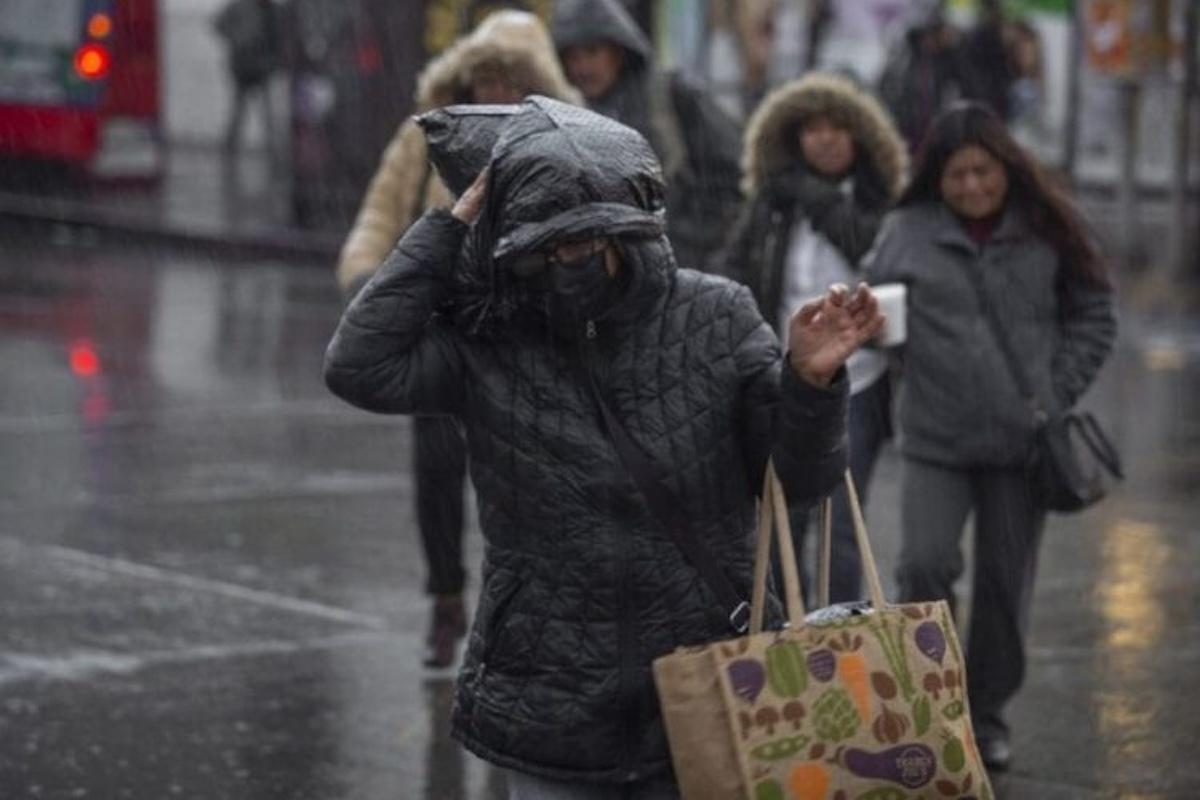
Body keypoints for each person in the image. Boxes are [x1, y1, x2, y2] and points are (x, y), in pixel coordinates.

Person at [324, 96, 884, 796]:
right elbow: (358, 365)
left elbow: (800, 481)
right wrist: (451, 225)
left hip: (707, 685)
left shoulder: (716, 316)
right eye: (549, 243)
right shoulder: (490, 339)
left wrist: (808, 381)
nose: (572, 258)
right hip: (549, 700)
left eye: (590, 239)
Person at [863, 102, 1117, 771]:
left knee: (1006, 586)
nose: (972, 187)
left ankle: (986, 714)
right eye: (956, 176)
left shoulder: (1049, 229)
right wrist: (875, 332)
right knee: (922, 565)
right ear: (935, 180)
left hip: (1021, 447)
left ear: (1007, 167)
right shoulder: (906, 231)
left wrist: (1052, 394)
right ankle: (934, 708)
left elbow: (1095, 315)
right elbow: (869, 308)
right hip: (934, 439)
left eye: (983, 172)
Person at [334, 11, 581, 669]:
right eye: (484, 78)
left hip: (527, 336)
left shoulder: (562, 140)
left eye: (509, 78)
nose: (494, 92)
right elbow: (381, 211)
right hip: (444, 328)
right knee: (437, 473)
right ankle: (446, 599)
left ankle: (523, 618)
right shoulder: (426, 135)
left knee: (529, 482)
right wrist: (369, 281)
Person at [722, 72, 908, 605]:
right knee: (783, 520)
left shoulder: (878, 204)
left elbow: (866, 245)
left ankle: (842, 639)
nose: (824, 139)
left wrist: (817, 196)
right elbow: (735, 270)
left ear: (861, 136)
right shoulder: (773, 202)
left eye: (838, 127)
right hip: (778, 374)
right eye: (812, 128)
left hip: (858, 381)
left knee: (842, 524)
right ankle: (791, 640)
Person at [550, 0, 743, 273]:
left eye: (592, 52)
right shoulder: (559, 113)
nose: (582, 67)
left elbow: (733, 174)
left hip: (679, 271)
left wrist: (690, 240)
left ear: (617, 50)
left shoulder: (671, 96)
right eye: (573, 57)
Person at [877, 0, 970, 152]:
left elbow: (961, 91)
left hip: (936, 139)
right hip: (903, 136)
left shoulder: (949, 60)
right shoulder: (904, 55)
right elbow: (887, 89)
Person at [213, 0, 281, 154]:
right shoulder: (239, 6)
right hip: (243, 66)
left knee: (267, 111)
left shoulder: (274, 10)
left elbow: (278, 37)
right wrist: (237, 38)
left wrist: (275, 60)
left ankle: (272, 149)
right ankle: (230, 147)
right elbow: (218, 24)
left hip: (263, 67)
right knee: (239, 110)